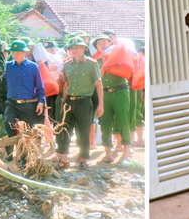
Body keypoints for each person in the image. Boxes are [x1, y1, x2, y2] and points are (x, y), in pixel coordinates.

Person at [54, 35, 102, 168]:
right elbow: (66, 85)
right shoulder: (67, 65)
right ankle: (63, 159)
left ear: (84, 48)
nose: (74, 50)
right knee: (64, 130)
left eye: (77, 47)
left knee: (83, 131)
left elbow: (98, 85)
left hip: (84, 101)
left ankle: (82, 159)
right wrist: (64, 101)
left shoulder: (92, 64)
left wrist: (101, 105)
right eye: (71, 48)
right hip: (69, 101)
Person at [2, 38, 46, 159]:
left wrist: (41, 102)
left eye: (18, 52)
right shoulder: (7, 66)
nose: (15, 54)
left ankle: (24, 158)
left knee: (27, 132)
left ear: (25, 53)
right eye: (13, 52)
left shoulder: (33, 67)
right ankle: (9, 153)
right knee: (8, 124)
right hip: (12, 104)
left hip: (28, 104)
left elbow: (40, 87)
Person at [97, 32, 136, 164]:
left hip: (120, 92)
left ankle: (126, 153)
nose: (102, 44)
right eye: (99, 43)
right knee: (105, 123)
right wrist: (104, 63)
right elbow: (98, 79)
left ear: (111, 43)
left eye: (105, 41)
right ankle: (108, 154)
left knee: (123, 121)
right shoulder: (96, 61)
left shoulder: (121, 56)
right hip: (105, 93)